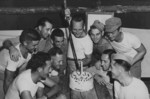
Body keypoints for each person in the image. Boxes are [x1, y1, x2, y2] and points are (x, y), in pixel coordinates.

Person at [3, 29, 41, 94]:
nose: (36, 47)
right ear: (25, 43)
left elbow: (21, 71)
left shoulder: (29, 52)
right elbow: (8, 81)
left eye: (37, 44)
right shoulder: (15, 56)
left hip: (9, 73)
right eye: (34, 45)